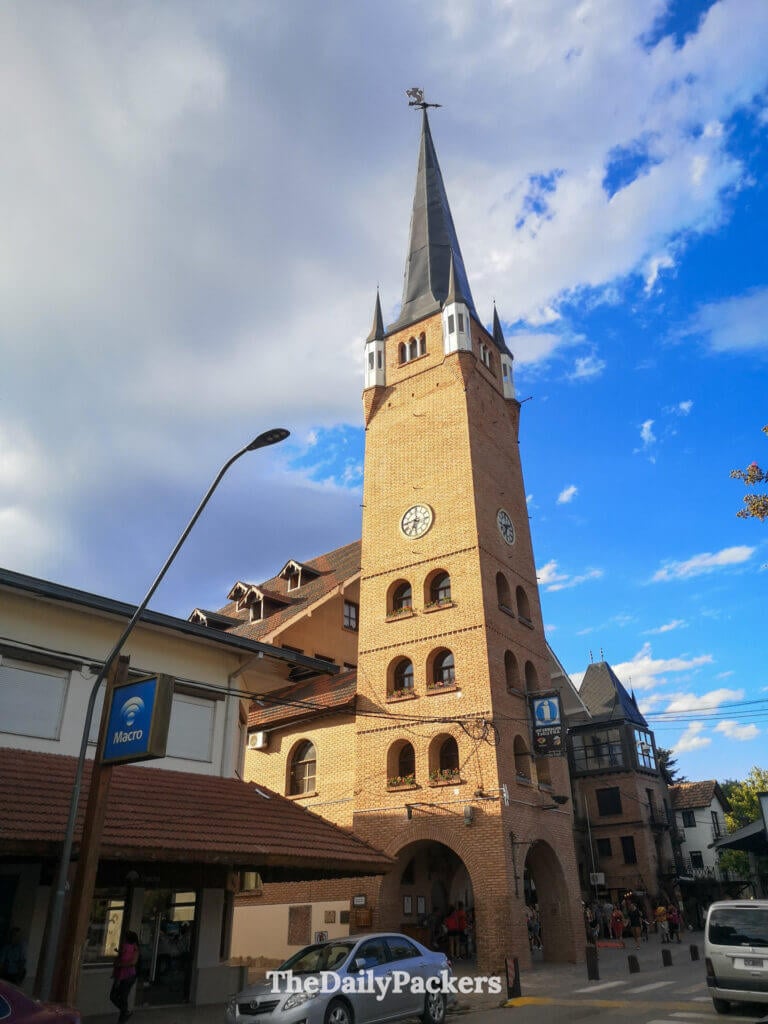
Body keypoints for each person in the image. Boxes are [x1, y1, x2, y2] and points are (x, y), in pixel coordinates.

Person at [110, 930, 139, 1023]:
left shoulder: (135, 949)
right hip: (120, 975)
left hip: (128, 976)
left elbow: (132, 962)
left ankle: (123, 1017)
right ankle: (125, 1012)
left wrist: (120, 964)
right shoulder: (125, 947)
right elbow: (119, 958)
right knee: (115, 996)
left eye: (126, 937)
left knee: (122, 997)